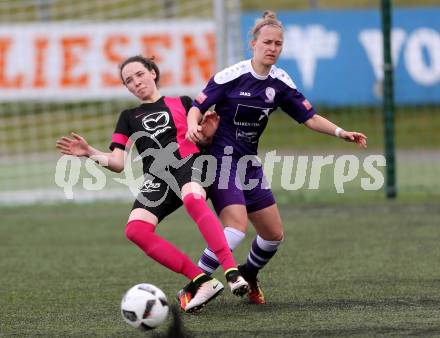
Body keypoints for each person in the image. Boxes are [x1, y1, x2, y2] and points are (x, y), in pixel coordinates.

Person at [184, 11, 367, 304]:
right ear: (253, 44)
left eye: (278, 44)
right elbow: (197, 106)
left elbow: (309, 118)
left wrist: (340, 132)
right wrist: (193, 124)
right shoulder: (231, 76)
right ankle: (193, 284)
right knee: (236, 228)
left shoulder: (281, 82)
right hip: (221, 161)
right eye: (267, 42)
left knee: (273, 235)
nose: (273, 48)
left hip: (249, 164)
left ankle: (249, 272)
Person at [55, 55, 249, 313]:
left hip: (189, 163)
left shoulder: (182, 102)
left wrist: (207, 133)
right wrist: (89, 151)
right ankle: (202, 280)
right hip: (158, 177)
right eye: (128, 81)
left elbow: (202, 140)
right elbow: (117, 162)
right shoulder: (128, 117)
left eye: (139, 74)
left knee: (193, 199)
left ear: (152, 73)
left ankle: (232, 272)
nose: (136, 82)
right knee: (135, 230)